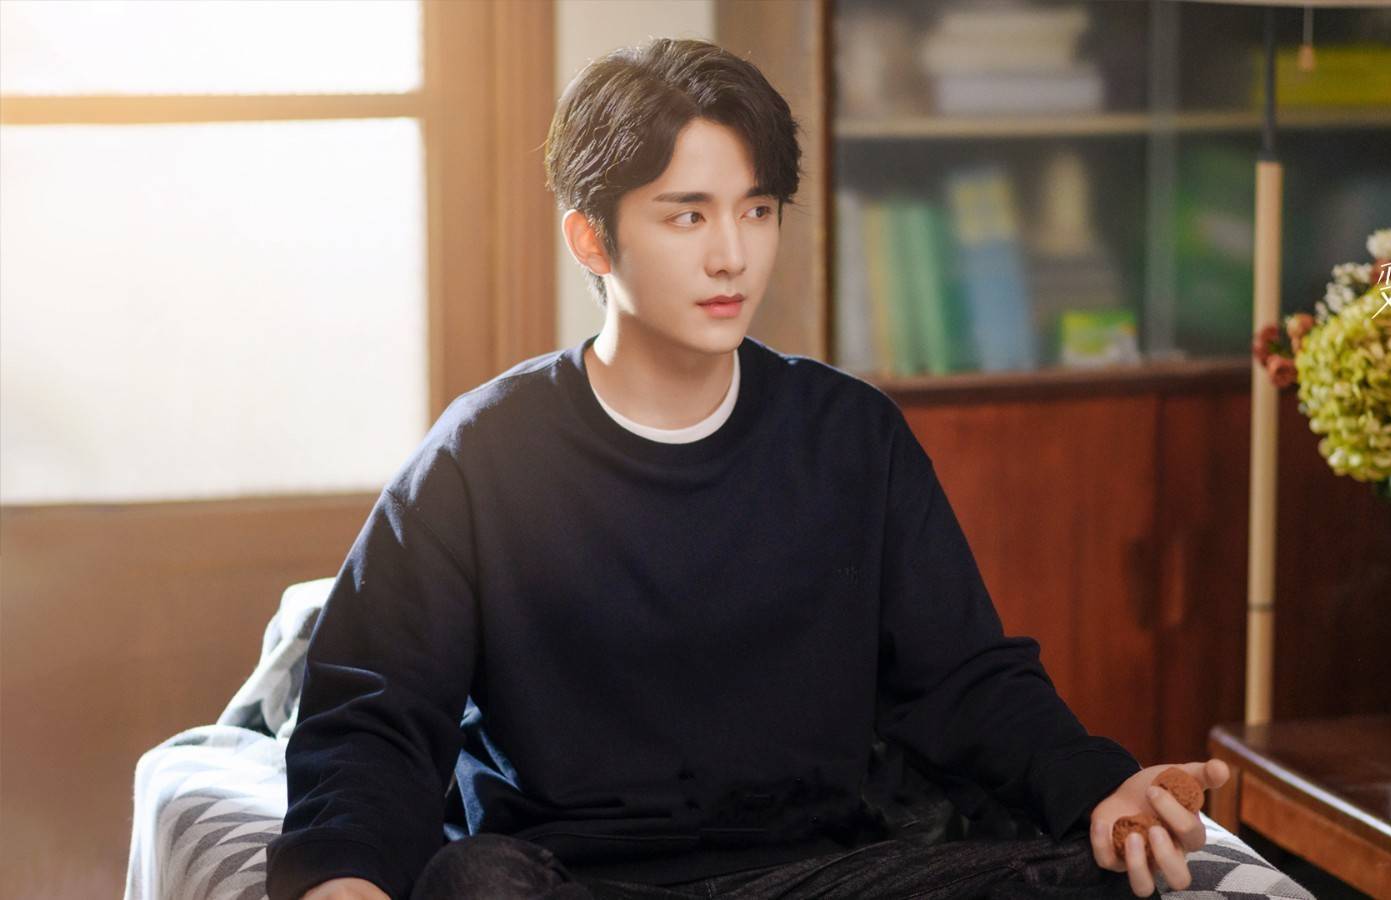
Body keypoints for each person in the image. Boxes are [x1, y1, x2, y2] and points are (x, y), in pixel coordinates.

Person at [264, 37, 1231, 900]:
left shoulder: (852, 435)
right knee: (472, 883)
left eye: (757, 210)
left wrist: (1099, 785)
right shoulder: (483, 455)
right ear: (592, 236)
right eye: (687, 217)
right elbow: (375, 716)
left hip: (824, 872)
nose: (732, 256)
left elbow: (966, 681)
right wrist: (342, 874)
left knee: (1103, 876)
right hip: (579, 878)